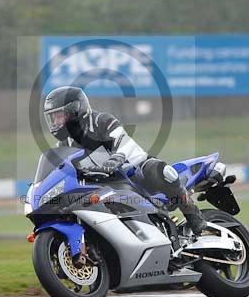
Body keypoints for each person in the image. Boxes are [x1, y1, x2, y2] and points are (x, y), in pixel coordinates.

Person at [43, 85, 207, 236]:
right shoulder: (65, 143)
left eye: (59, 116)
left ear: (75, 111)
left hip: (134, 169)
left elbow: (123, 141)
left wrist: (117, 158)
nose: (56, 122)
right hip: (104, 182)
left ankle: (195, 218)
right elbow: (61, 166)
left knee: (162, 172)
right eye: (53, 118)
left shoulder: (102, 121)